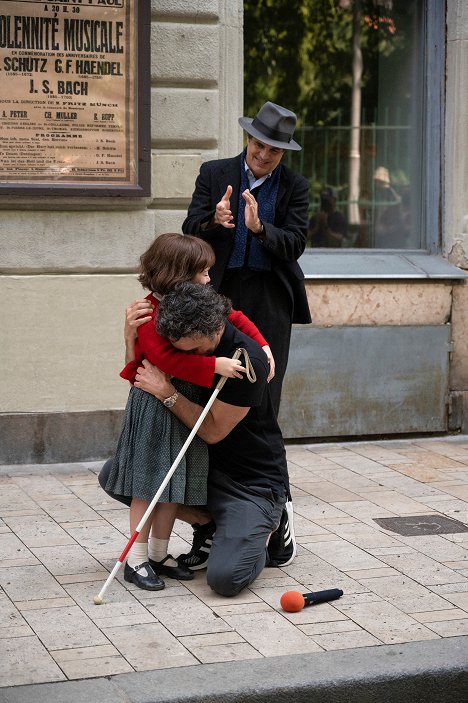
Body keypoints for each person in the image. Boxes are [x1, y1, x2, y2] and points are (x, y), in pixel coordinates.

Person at [103, 233, 272, 591]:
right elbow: (164, 360)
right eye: (203, 271)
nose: (209, 278)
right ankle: (136, 559)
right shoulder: (149, 311)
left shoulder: (200, 303)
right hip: (155, 409)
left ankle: (160, 554)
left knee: (174, 486)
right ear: (178, 274)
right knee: (149, 484)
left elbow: (237, 317)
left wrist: (264, 346)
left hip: (182, 407)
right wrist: (213, 365)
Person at [133, 282, 293, 597]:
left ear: (216, 328)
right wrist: (129, 337)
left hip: (249, 482)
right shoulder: (181, 343)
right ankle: (209, 523)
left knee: (225, 579)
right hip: (200, 469)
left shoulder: (247, 361)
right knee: (120, 475)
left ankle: (271, 526)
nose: (187, 359)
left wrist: (167, 393)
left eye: (194, 351)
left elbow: (213, 431)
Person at [182, 100, 312, 417]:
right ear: (248, 139)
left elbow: (295, 243)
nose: (264, 156)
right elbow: (189, 228)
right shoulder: (214, 173)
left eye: (274, 151)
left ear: (284, 153)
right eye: (259, 145)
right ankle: (214, 452)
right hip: (219, 289)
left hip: (270, 294)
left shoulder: (295, 186)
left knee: (265, 377)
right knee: (216, 372)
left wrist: (260, 228)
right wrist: (214, 219)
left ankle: (260, 451)